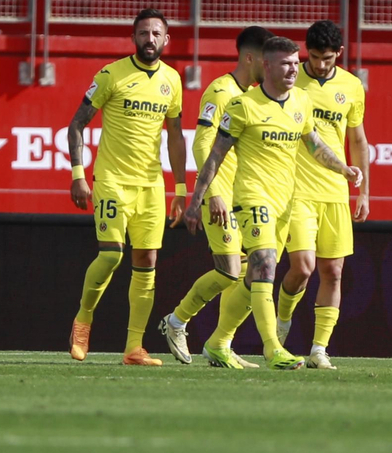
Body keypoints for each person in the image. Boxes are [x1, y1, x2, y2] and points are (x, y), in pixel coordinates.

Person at [184, 35, 363, 372]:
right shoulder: (243, 106)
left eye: (296, 63)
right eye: (286, 63)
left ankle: (218, 342)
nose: (294, 69)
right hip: (252, 197)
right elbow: (214, 157)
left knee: (254, 278)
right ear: (266, 65)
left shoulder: (300, 102)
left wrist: (344, 168)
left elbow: (314, 144)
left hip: (285, 202)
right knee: (265, 265)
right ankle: (273, 348)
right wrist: (198, 200)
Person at [66, 10, 189, 367]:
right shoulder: (111, 75)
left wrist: (180, 188)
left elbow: (176, 135)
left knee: (147, 261)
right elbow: (76, 126)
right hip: (112, 181)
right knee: (111, 255)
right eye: (143, 33)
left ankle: (134, 348)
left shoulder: (172, 80)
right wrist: (77, 174)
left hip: (151, 185)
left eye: (156, 33)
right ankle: (84, 319)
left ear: (166, 40)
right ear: (133, 37)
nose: (149, 39)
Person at [154, 25, 271, 370]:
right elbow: (202, 143)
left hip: (245, 198)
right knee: (230, 271)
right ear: (251, 58)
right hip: (220, 197)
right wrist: (214, 193)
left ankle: (221, 343)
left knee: (256, 270)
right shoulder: (220, 92)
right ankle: (175, 322)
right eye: (268, 59)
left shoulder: (250, 97)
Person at [273, 19, 371, 371]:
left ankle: (319, 349)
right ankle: (282, 323)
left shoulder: (351, 86)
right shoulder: (289, 77)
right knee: (302, 267)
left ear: (338, 54)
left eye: (327, 58)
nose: (320, 65)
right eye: (314, 57)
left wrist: (364, 193)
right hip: (296, 190)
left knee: (333, 271)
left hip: (335, 191)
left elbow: (357, 141)